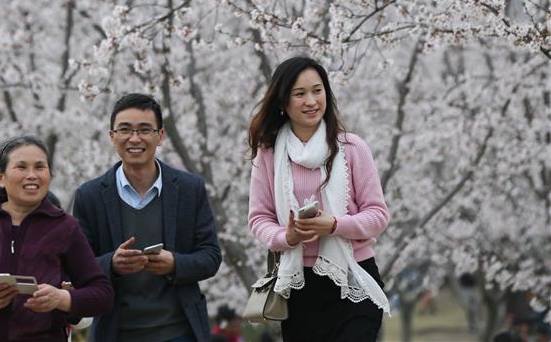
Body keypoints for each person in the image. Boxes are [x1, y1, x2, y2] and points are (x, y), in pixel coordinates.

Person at [247, 56, 391, 342]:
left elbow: (378, 215)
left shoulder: (351, 148)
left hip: (354, 277)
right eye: (299, 94)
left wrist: (335, 224)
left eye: (317, 90)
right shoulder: (269, 154)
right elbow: (258, 218)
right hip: (299, 285)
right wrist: (285, 236)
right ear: (282, 102)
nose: (311, 100)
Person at [0, 135, 114, 341]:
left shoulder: (66, 227)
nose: (32, 175)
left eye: (40, 167)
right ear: (0, 177)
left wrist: (62, 298)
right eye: (21, 167)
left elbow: (102, 295)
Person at [73, 93, 222, 342]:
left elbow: (211, 257)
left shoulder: (189, 189)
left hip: (179, 332)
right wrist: (112, 264)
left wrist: (174, 263)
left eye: (144, 129)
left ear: (160, 136)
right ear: (112, 136)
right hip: (116, 333)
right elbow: (76, 267)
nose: (134, 138)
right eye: (125, 130)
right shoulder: (90, 196)